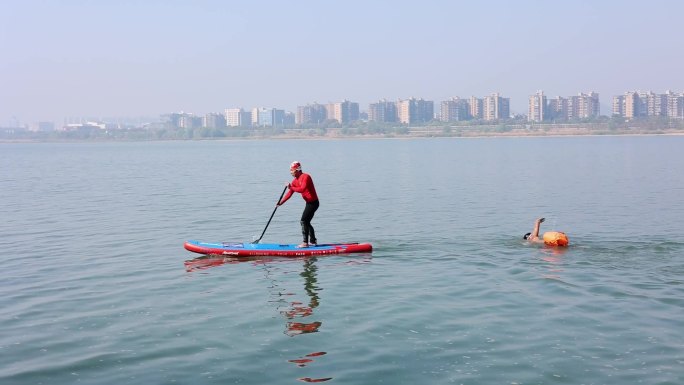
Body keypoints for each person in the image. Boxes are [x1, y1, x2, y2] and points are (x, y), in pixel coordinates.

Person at [278, 161, 319, 248]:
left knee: (303, 221)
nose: (290, 172)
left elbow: (302, 189)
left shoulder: (306, 177)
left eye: (292, 170)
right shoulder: (294, 181)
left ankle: (305, 243)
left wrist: (290, 187)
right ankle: (313, 241)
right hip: (309, 203)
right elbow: (289, 194)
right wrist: (280, 203)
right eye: (290, 170)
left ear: (297, 170)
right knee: (306, 222)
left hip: (314, 203)